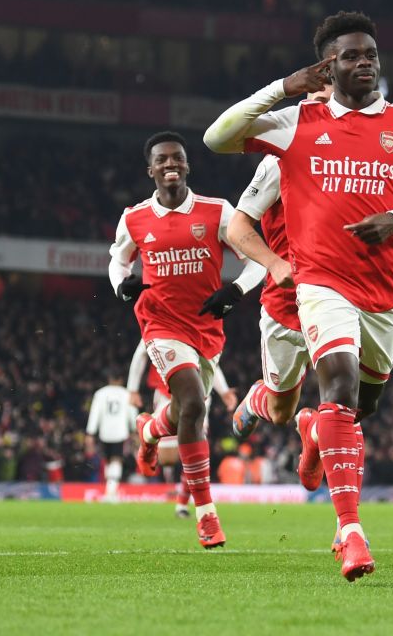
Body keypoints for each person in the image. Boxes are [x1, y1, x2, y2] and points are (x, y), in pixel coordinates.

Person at [204, 11, 393, 580]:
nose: (365, 63)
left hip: (383, 291)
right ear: (327, 67)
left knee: (362, 406)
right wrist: (282, 88)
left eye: (371, 55)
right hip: (317, 283)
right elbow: (217, 138)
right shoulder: (295, 124)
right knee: (335, 386)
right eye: (351, 56)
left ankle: (315, 435)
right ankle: (351, 532)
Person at [108, 131, 265, 549]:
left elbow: (257, 260)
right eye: (161, 160)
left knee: (183, 412)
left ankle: (148, 431)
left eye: (176, 158)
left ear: (187, 165)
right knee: (194, 403)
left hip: (206, 329)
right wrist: (122, 286)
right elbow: (117, 259)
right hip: (160, 323)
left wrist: (235, 291)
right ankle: (206, 515)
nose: (170, 164)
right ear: (151, 169)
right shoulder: (135, 217)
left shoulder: (217, 211)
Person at [126, 338, 238, 517]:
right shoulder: (161, 315)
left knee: (196, 448)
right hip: (166, 391)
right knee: (168, 459)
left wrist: (223, 391)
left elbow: (210, 361)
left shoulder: (201, 320)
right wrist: (132, 388)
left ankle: (183, 505)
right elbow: (141, 352)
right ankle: (149, 431)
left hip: (200, 394)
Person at [85, 374, 138, 502]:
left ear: (109, 379)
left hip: (105, 431)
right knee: (116, 460)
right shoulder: (126, 394)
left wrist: (90, 433)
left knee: (108, 460)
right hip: (120, 432)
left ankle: (110, 491)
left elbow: (94, 413)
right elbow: (132, 413)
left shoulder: (100, 393)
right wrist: (134, 429)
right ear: (121, 380)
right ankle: (111, 491)